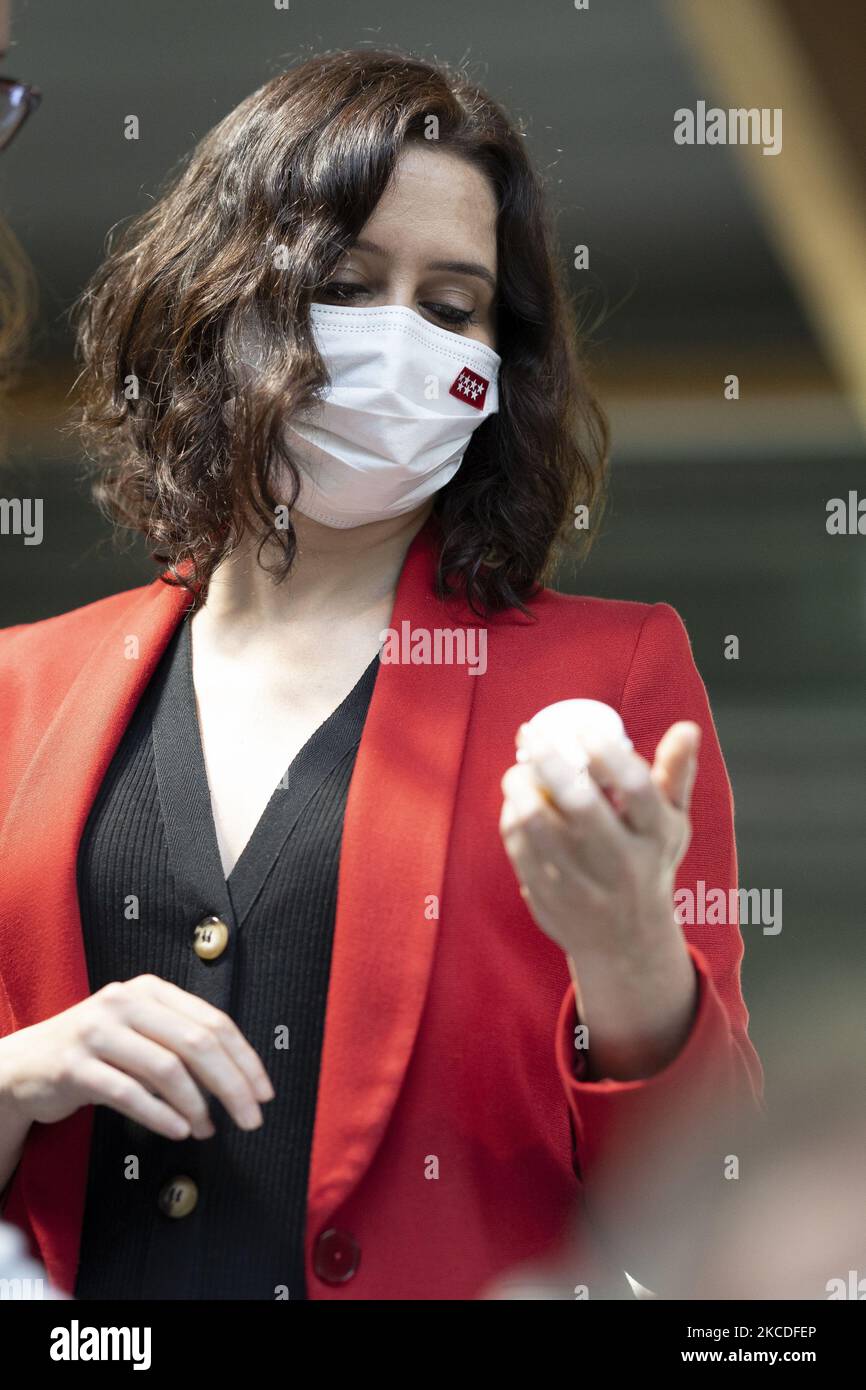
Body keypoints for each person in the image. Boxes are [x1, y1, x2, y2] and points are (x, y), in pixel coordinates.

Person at [0, 48, 762, 1301]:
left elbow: (706, 1199)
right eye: (346, 284)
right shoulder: (27, 690)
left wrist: (631, 949)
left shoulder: (612, 672)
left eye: (452, 305)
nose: (402, 338)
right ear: (215, 301)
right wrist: (24, 1074)